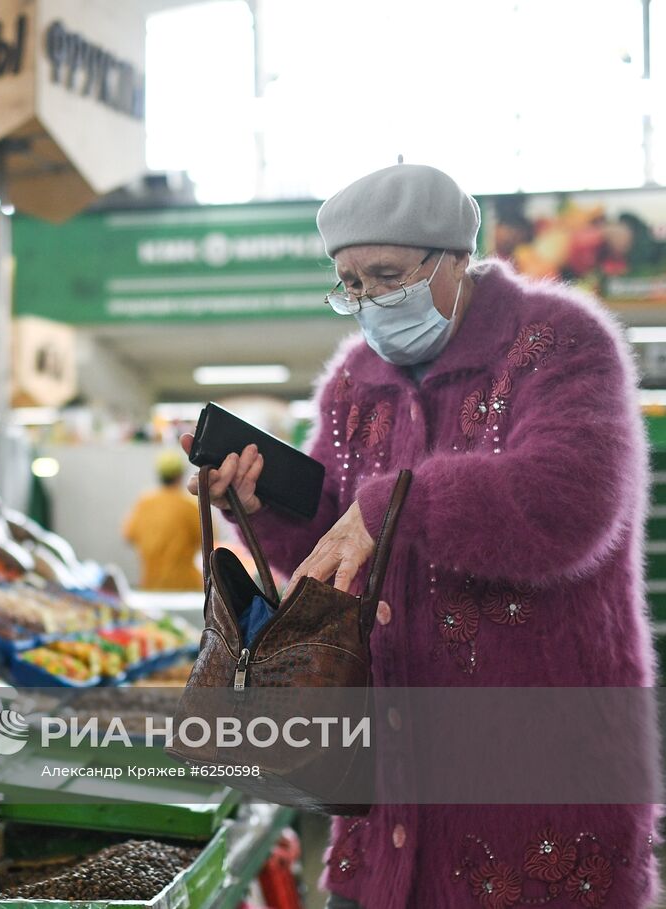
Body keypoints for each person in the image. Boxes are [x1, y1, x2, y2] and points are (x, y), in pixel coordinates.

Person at [181, 164, 659, 908]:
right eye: (352, 282)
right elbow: (335, 531)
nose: (371, 298)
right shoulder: (352, 382)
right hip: (391, 779)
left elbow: (572, 503)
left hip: (537, 777)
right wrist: (260, 504)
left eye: (388, 273)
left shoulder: (559, 342)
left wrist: (393, 504)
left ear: (457, 259)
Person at [123, 451, 203, 590]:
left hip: (151, 583)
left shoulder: (144, 503)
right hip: (185, 585)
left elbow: (128, 535)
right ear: (180, 475)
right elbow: (207, 539)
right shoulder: (189, 505)